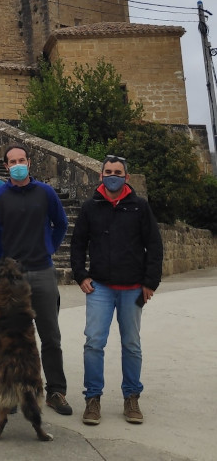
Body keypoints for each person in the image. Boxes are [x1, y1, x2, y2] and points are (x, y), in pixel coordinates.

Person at [70, 155, 163, 426]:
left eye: (118, 171)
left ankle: (132, 397)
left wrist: (150, 282)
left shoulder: (140, 207)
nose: (113, 175)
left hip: (132, 288)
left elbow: (154, 246)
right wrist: (80, 276)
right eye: (108, 171)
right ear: (101, 176)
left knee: (131, 344)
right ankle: (93, 399)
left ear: (126, 177)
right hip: (99, 287)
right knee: (94, 343)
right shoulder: (91, 207)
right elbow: (78, 244)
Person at [0, 144, 72, 415]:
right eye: (12, 161)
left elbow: (62, 223)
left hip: (43, 272)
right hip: (11, 277)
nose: (17, 164)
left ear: (29, 162)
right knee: (11, 339)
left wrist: (49, 247)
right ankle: (10, 393)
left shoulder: (45, 192)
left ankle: (56, 391)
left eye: (22, 159)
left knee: (51, 336)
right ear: (6, 166)